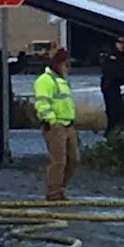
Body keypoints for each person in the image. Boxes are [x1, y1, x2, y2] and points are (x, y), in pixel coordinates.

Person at [33, 49, 79, 201]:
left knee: (74, 159)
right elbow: (42, 103)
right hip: (55, 125)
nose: (68, 68)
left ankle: (59, 188)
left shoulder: (62, 81)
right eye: (66, 64)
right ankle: (54, 193)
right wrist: (51, 121)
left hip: (67, 124)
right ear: (58, 64)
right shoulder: (45, 80)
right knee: (58, 161)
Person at [100, 38, 124, 133]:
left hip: (115, 86)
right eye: (120, 43)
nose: (123, 45)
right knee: (113, 112)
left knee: (117, 111)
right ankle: (111, 133)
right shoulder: (112, 56)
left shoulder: (122, 56)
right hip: (109, 86)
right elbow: (112, 72)